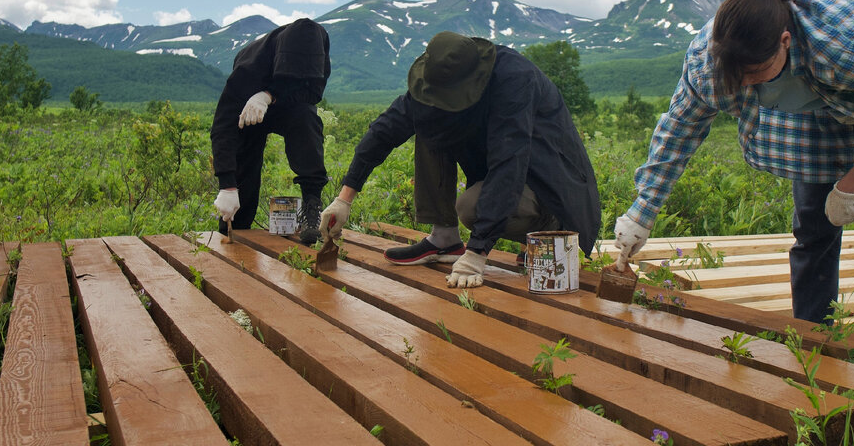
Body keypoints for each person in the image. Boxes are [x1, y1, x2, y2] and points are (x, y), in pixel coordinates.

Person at [614, 0, 854, 346]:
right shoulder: (709, 61)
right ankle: (813, 344)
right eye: (734, 73)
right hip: (822, 102)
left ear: (785, 41)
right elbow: (680, 129)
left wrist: (853, 182)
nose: (743, 83)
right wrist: (643, 211)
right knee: (813, 227)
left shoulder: (844, 45)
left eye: (755, 72)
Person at [318, 31, 601, 288]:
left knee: (471, 207)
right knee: (430, 121)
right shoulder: (436, 80)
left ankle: (549, 232)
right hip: (504, 175)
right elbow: (383, 131)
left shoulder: (515, 79)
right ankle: (444, 239)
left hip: (552, 188)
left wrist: (477, 253)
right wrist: (344, 199)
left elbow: (509, 163)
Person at [211, 18, 331, 244]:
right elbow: (223, 126)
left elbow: (313, 94)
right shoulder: (250, 65)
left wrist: (269, 96)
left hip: (287, 105)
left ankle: (311, 205)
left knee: (306, 118)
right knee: (244, 170)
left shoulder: (320, 47)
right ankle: (232, 233)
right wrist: (227, 184)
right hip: (249, 110)